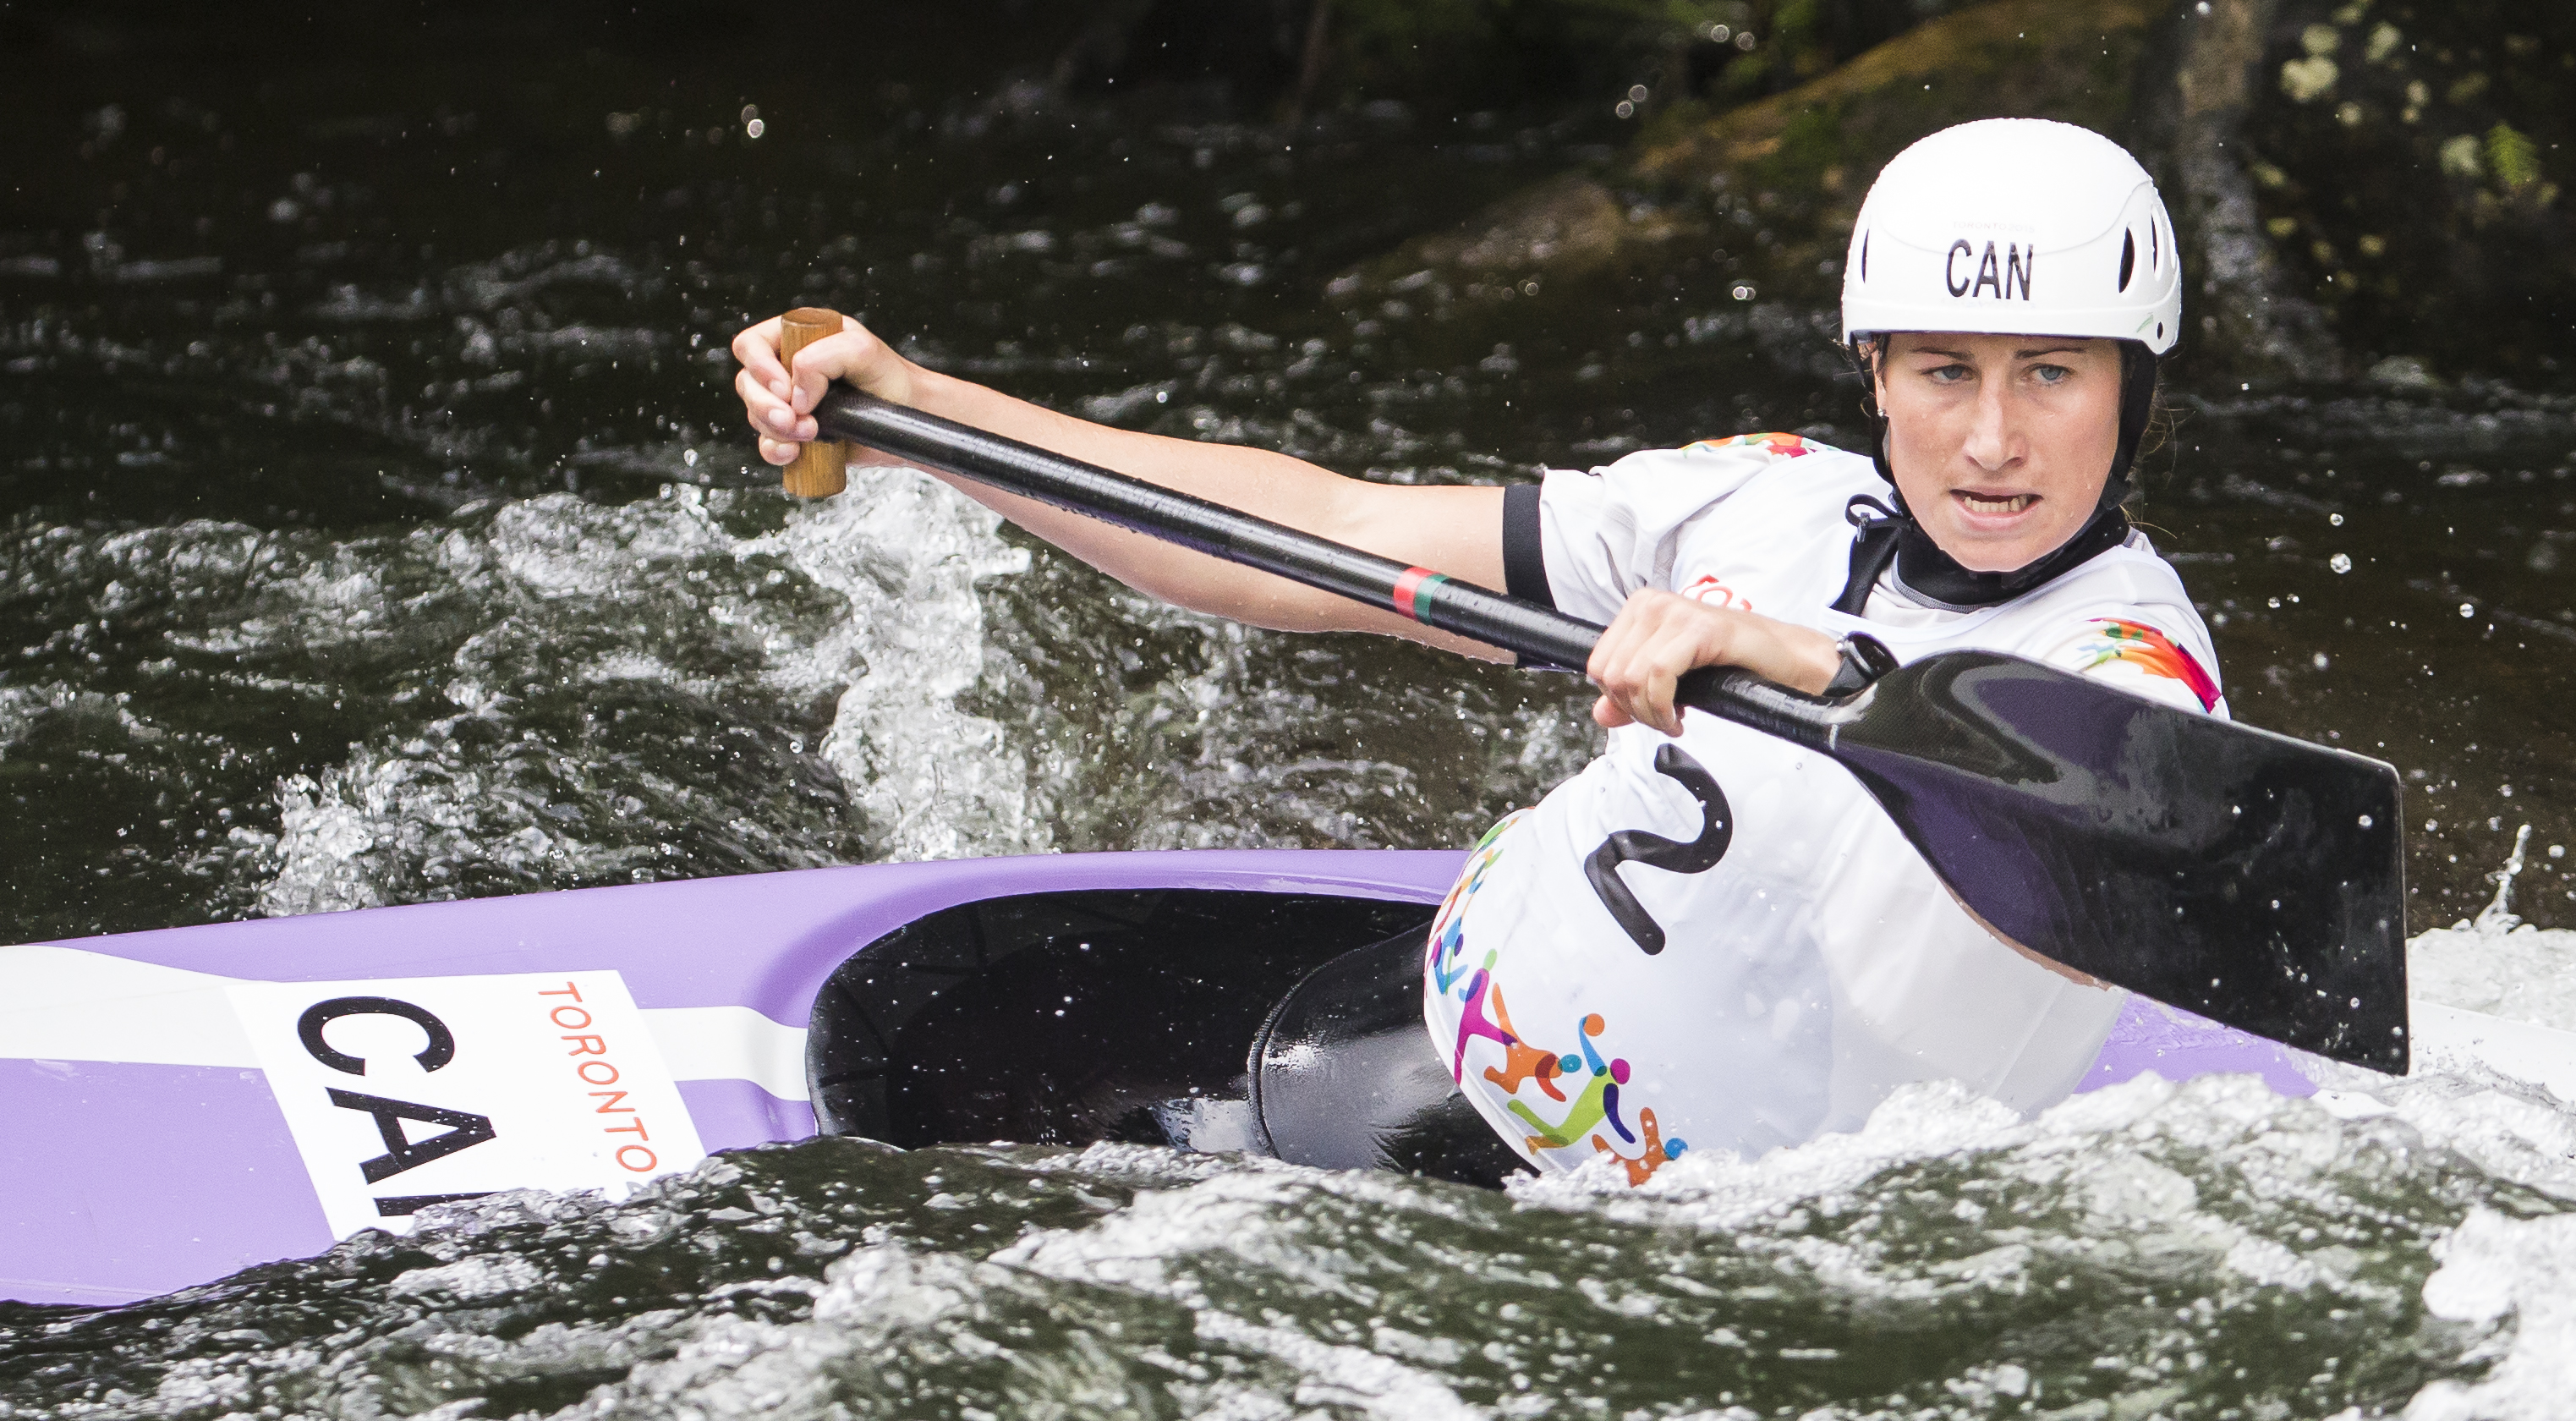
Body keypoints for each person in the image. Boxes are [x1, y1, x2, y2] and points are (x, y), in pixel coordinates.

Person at [733, 118, 2222, 1183]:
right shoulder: (1767, 496)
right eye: (1944, 372)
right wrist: (930, 421)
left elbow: (2068, 793)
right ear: (1876, 377)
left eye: (2051, 376)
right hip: (1382, 1047)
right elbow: (1315, 536)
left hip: (1641, 1237)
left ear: (2132, 395)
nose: (1989, 437)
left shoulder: (2135, 655)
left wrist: (1788, 659)